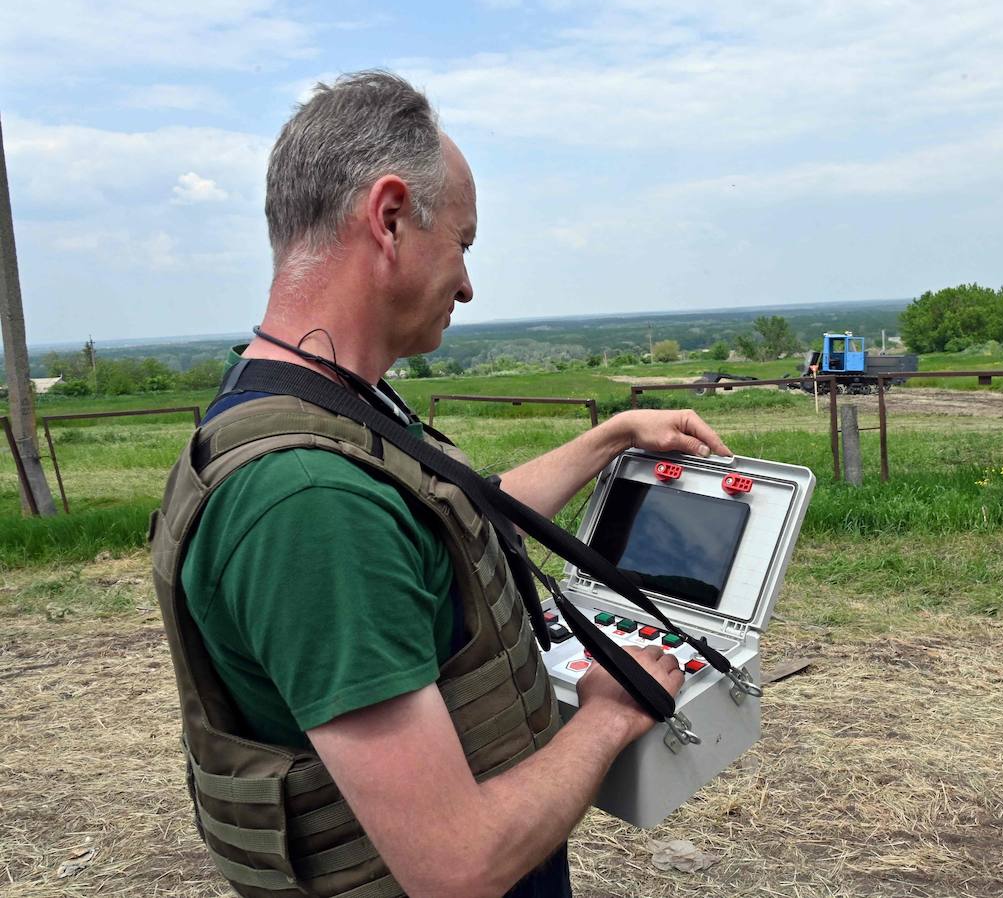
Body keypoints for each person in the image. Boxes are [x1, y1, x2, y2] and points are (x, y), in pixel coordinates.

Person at [152, 70, 732, 898]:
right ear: (389, 218)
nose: (466, 284)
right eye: (462, 243)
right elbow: (457, 865)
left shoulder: (301, 404)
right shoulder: (311, 500)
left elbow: (447, 538)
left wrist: (609, 439)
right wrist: (611, 712)